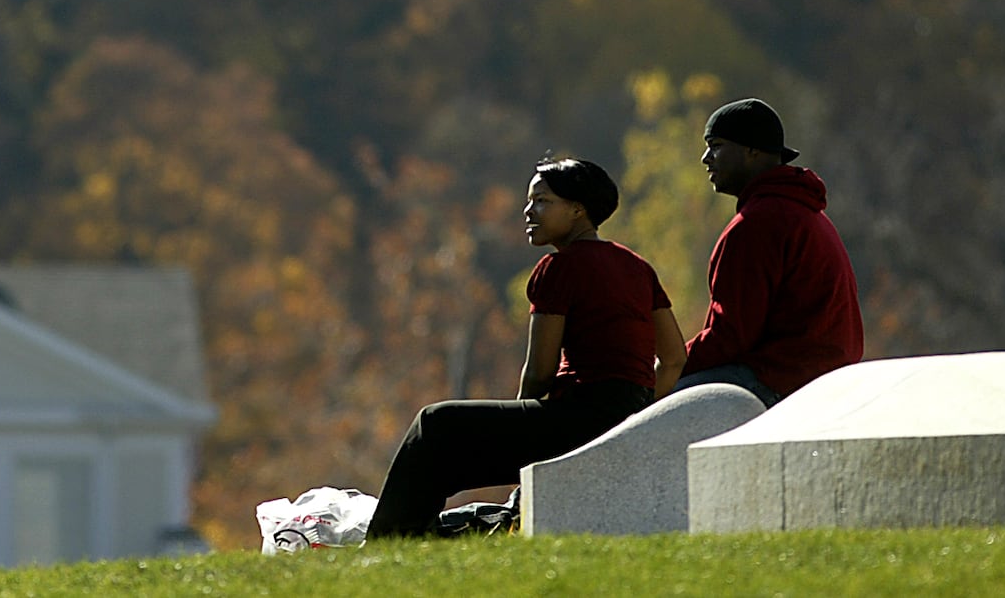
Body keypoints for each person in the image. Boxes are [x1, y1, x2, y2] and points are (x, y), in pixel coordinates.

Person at [365, 158, 686, 539]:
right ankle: (426, 535)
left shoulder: (558, 268)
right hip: (628, 414)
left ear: (577, 209)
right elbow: (674, 358)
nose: (528, 210)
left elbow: (539, 372)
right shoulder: (638, 267)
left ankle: (390, 539)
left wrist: (519, 424)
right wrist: (639, 419)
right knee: (454, 436)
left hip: (580, 419)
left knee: (435, 425)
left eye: (542, 201)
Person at [676, 98, 863, 407]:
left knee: (657, 405)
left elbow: (730, 337)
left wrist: (666, 366)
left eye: (717, 146)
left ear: (753, 151)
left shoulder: (758, 223)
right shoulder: (805, 213)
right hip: (827, 380)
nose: (705, 158)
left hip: (780, 380)